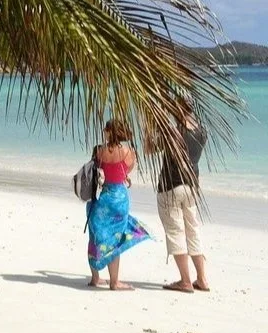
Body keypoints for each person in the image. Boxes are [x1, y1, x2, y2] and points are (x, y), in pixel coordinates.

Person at [152, 99, 210, 293]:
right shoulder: (202, 132)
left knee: (176, 231)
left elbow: (150, 148)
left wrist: (151, 128)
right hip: (192, 185)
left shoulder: (173, 132)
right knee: (193, 230)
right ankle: (202, 279)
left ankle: (185, 281)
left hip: (171, 185)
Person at [87, 119, 151, 290]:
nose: (103, 130)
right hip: (120, 198)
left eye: (106, 129)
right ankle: (114, 282)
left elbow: (96, 171)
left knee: (96, 235)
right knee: (115, 239)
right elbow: (125, 171)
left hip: (104, 196)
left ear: (110, 131)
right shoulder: (128, 152)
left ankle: (95, 278)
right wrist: (122, 175)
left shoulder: (99, 151)